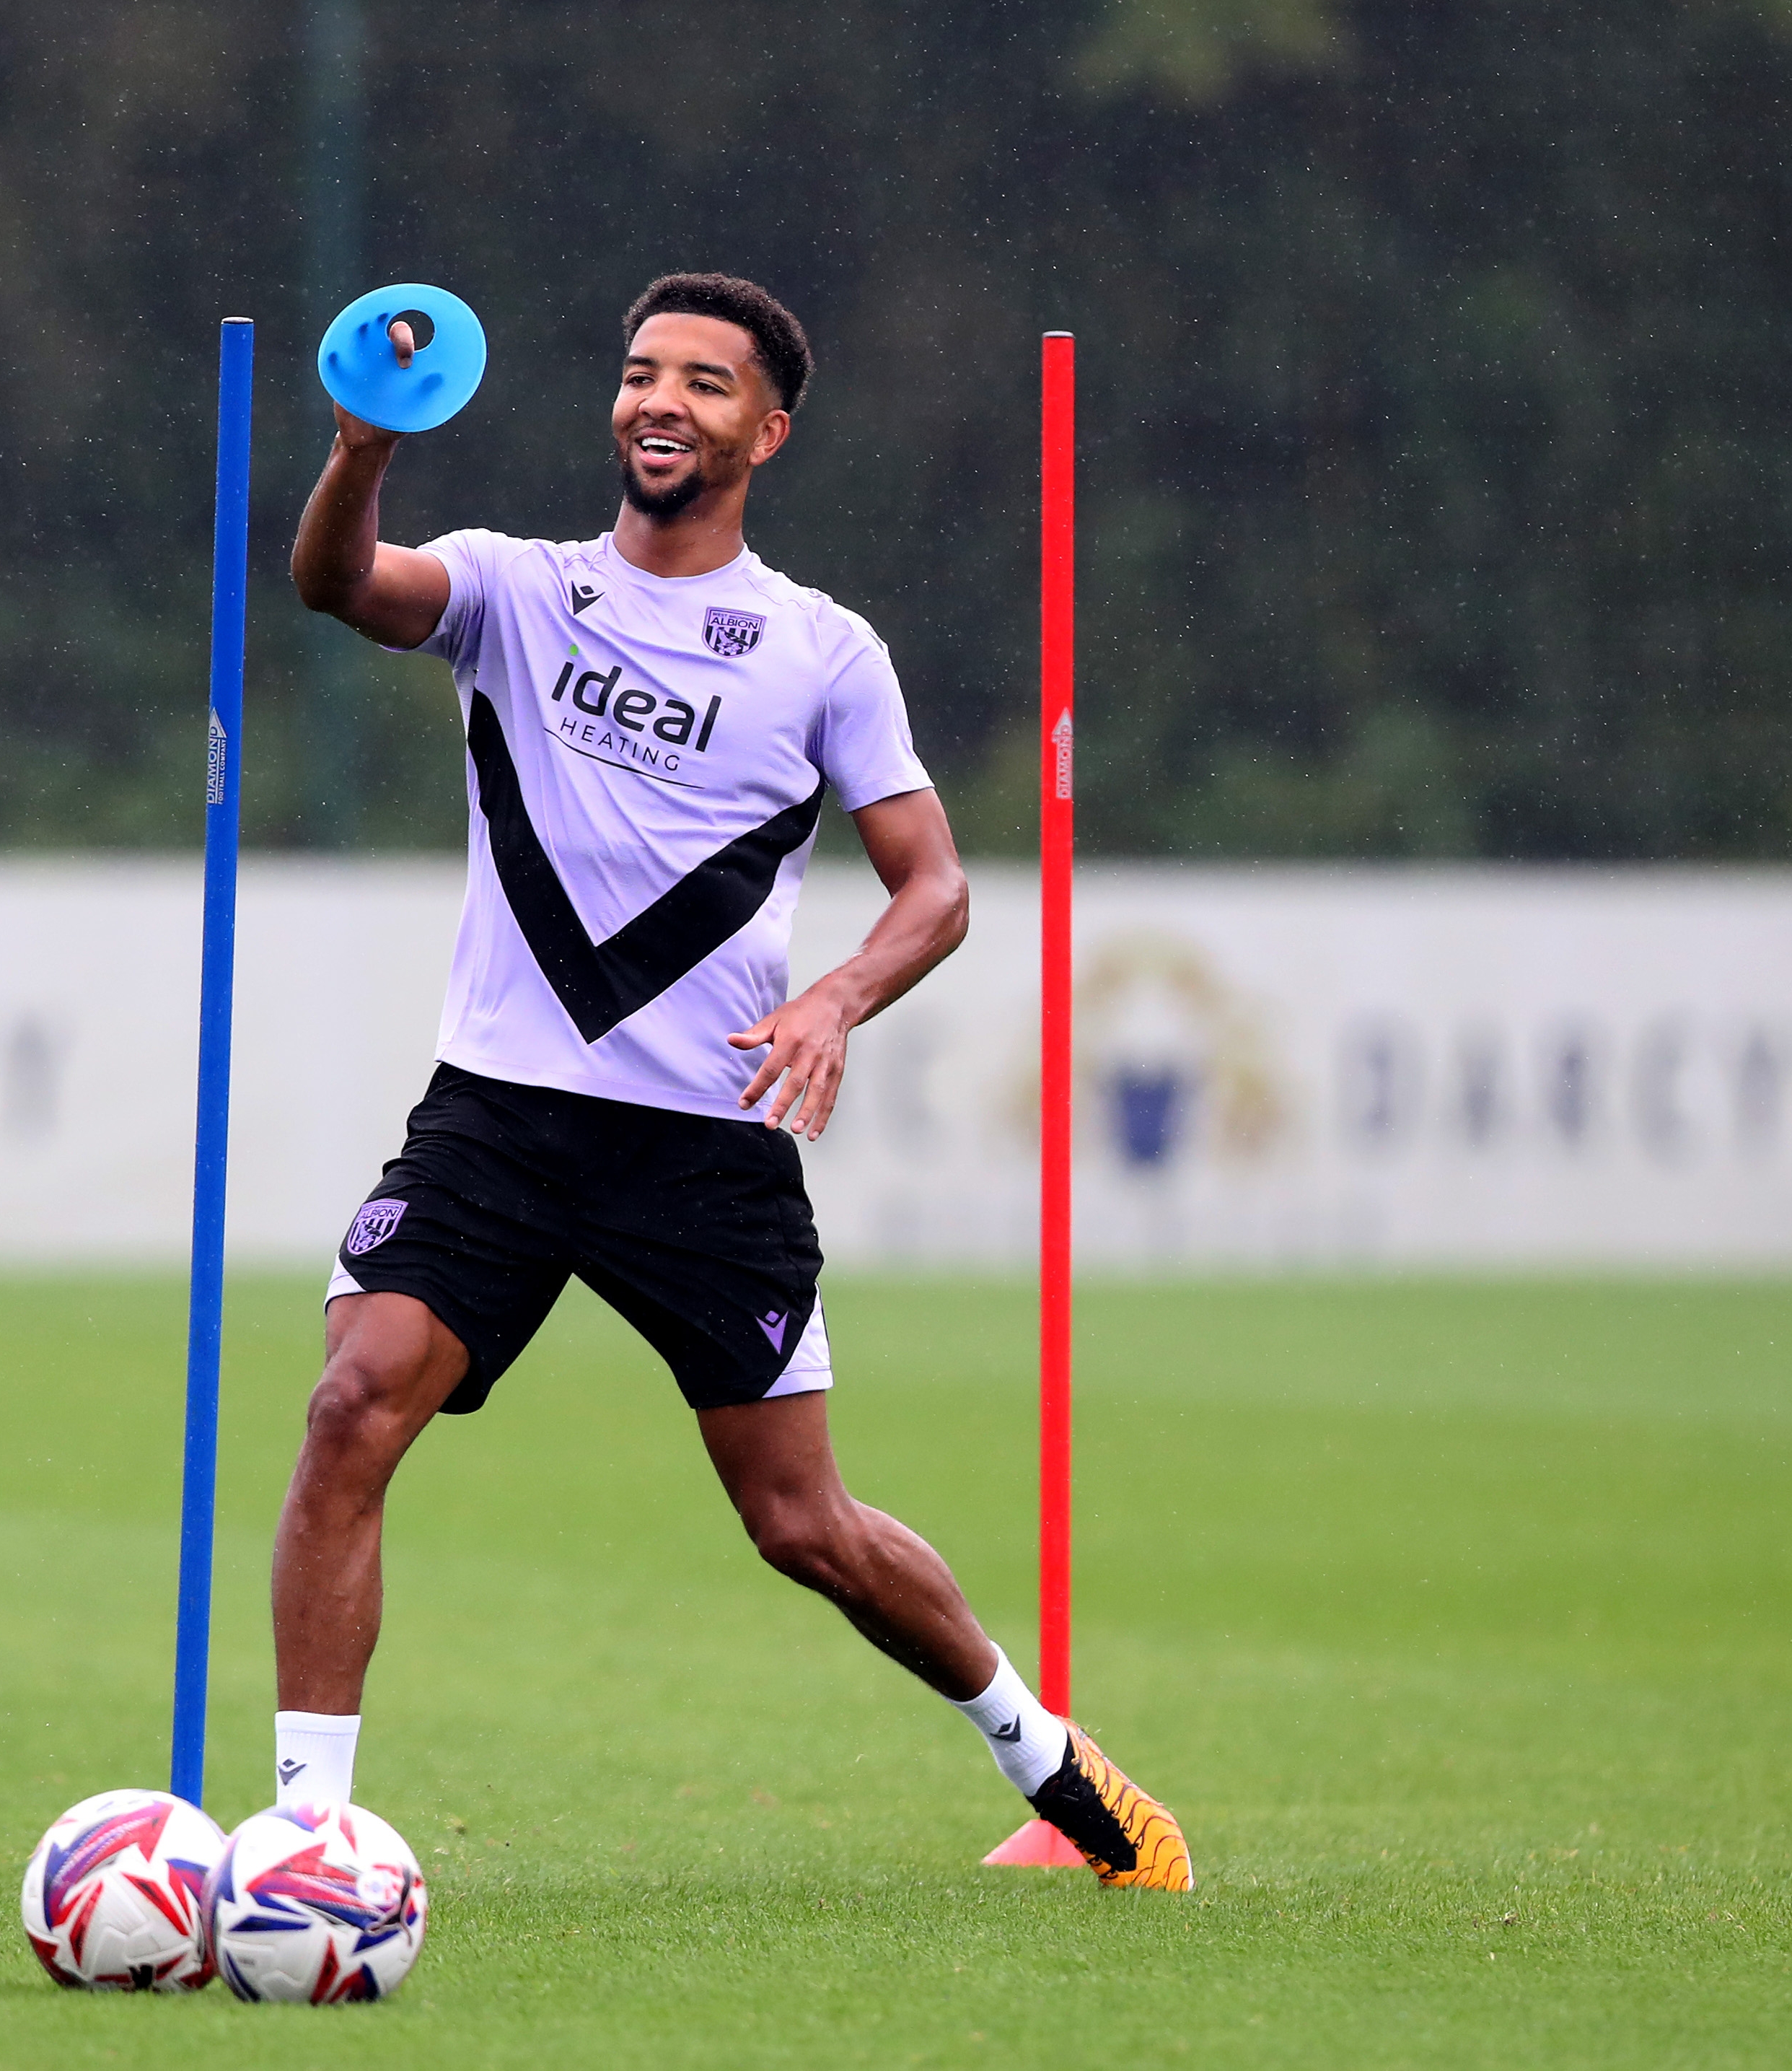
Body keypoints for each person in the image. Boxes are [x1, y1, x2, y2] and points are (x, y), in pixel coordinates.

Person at [272, 271, 1191, 1891]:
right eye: (638, 373)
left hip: (704, 1146)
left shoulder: (822, 650)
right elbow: (334, 583)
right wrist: (359, 448)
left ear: (763, 430)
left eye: (702, 382)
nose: (658, 402)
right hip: (496, 1114)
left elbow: (936, 887)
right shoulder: (509, 588)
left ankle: (1049, 1763)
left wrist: (837, 995)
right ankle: (301, 1840)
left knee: (801, 1526)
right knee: (353, 1401)